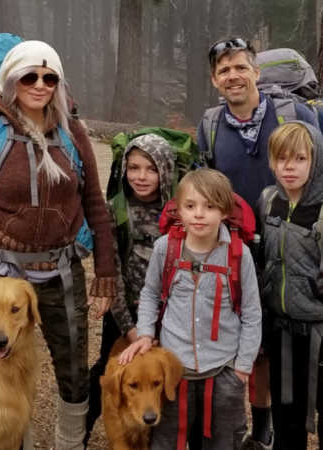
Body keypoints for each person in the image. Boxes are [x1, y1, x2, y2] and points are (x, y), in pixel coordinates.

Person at [0, 40, 116, 450]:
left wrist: (106, 273)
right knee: (3, 367)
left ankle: (69, 443)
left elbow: (94, 201)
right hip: (3, 274)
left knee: (74, 369)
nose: (39, 85)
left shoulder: (73, 134)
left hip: (62, 271)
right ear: (11, 80)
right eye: (29, 76)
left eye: (49, 77)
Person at [197, 37, 319, 450]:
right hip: (239, 248)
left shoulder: (292, 114)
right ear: (215, 79)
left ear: (256, 72)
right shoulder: (210, 125)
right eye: (224, 70)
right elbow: (204, 183)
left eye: (240, 67)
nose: (233, 76)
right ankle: (265, 427)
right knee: (256, 343)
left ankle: (285, 424)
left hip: (295, 242)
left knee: (291, 343)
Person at [119, 168, 262, 450]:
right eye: (190, 206)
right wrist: (146, 333)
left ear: (223, 212)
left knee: (223, 440)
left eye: (209, 207)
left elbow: (251, 312)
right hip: (175, 367)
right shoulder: (166, 248)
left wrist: (242, 367)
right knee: (168, 439)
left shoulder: (237, 253)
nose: (199, 214)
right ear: (179, 210)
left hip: (224, 366)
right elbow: (149, 293)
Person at [85, 133, 177, 443]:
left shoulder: (180, 212)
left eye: (151, 169)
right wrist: (131, 330)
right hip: (125, 316)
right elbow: (113, 275)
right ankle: (79, 432)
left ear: (165, 170)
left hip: (168, 318)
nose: (141, 176)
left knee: (163, 380)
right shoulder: (115, 211)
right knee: (108, 373)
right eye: (134, 167)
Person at [257, 121, 323, 450]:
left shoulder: (321, 209)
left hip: (318, 333)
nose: (289, 167)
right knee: (286, 416)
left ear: (315, 160)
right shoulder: (268, 201)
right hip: (280, 328)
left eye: (299, 158)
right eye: (281, 158)